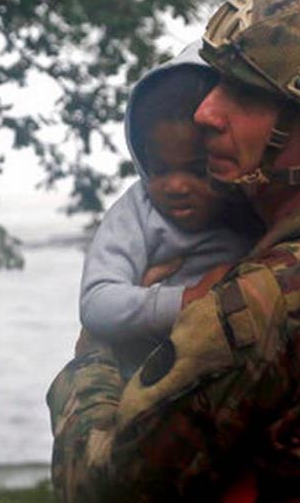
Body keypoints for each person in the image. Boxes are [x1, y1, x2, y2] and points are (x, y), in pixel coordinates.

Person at [47, 0, 300, 501]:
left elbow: (98, 489)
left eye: (245, 94)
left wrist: (96, 355)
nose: (204, 113)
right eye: (214, 84)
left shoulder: (268, 298)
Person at [79, 42, 256, 378]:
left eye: (196, 170)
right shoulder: (138, 211)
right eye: (159, 170)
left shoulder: (253, 208)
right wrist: (187, 300)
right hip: (146, 386)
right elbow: (97, 303)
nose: (175, 186)